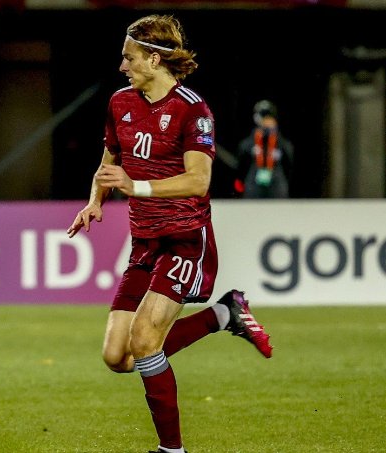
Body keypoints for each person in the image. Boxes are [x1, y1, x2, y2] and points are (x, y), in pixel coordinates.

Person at [66, 15, 273, 453]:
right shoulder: (120, 102)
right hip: (144, 241)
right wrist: (95, 201)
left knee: (144, 341)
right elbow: (109, 161)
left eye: (129, 57)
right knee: (117, 357)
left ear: (154, 59)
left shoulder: (192, 110)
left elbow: (199, 181)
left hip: (185, 239)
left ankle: (171, 450)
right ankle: (224, 315)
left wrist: (136, 186)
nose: (122, 66)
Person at [234, 99, 295, 198]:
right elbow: (241, 166)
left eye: (269, 118)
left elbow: (289, 166)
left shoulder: (282, 143)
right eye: (264, 118)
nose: (267, 122)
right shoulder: (248, 143)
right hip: (253, 188)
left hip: (276, 188)